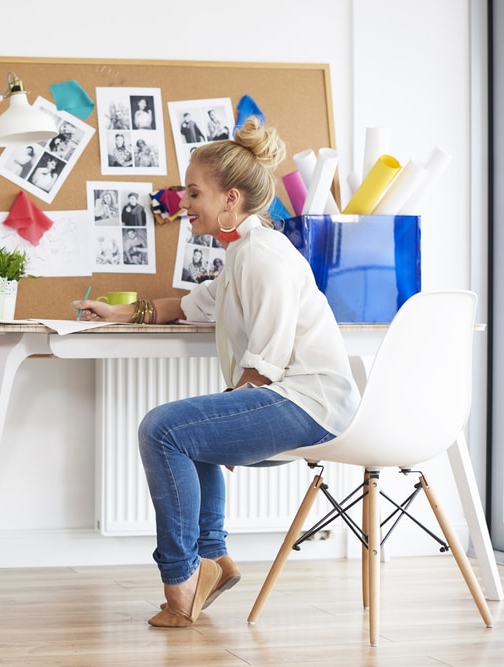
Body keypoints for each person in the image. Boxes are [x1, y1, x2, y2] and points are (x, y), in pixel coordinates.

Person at [72, 116, 360, 628]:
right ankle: (213, 560)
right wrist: (120, 312)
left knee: (164, 429)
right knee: (186, 429)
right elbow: (183, 307)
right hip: (299, 401)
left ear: (230, 199)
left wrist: (229, 428)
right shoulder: (241, 257)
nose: (184, 203)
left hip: (309, 403)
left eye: (193, 192)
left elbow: (265, 367)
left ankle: (182, 581)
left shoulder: (263, 257)